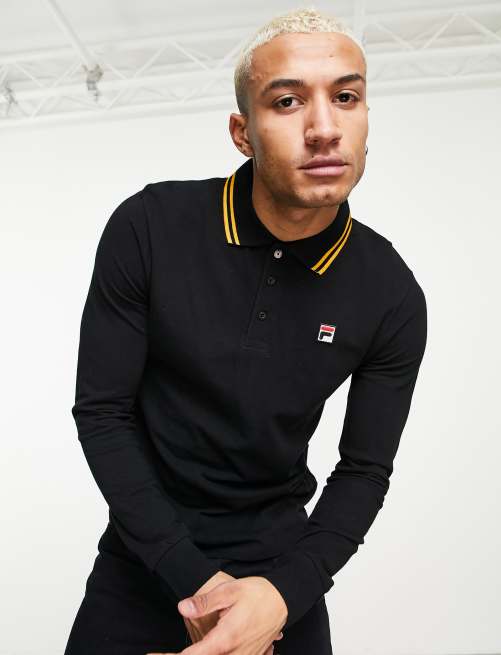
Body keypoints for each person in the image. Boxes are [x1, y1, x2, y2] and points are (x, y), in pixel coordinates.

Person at [64, 6, 428, 655]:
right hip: (142, 563)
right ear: (242, 132)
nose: (324, 128)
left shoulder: (391, 292)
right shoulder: (149, 226)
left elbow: (363, 470)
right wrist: (195, 582)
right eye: (287, 101)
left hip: (281, 584)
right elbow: (103, 412)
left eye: (346, 97)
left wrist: (281, 596)